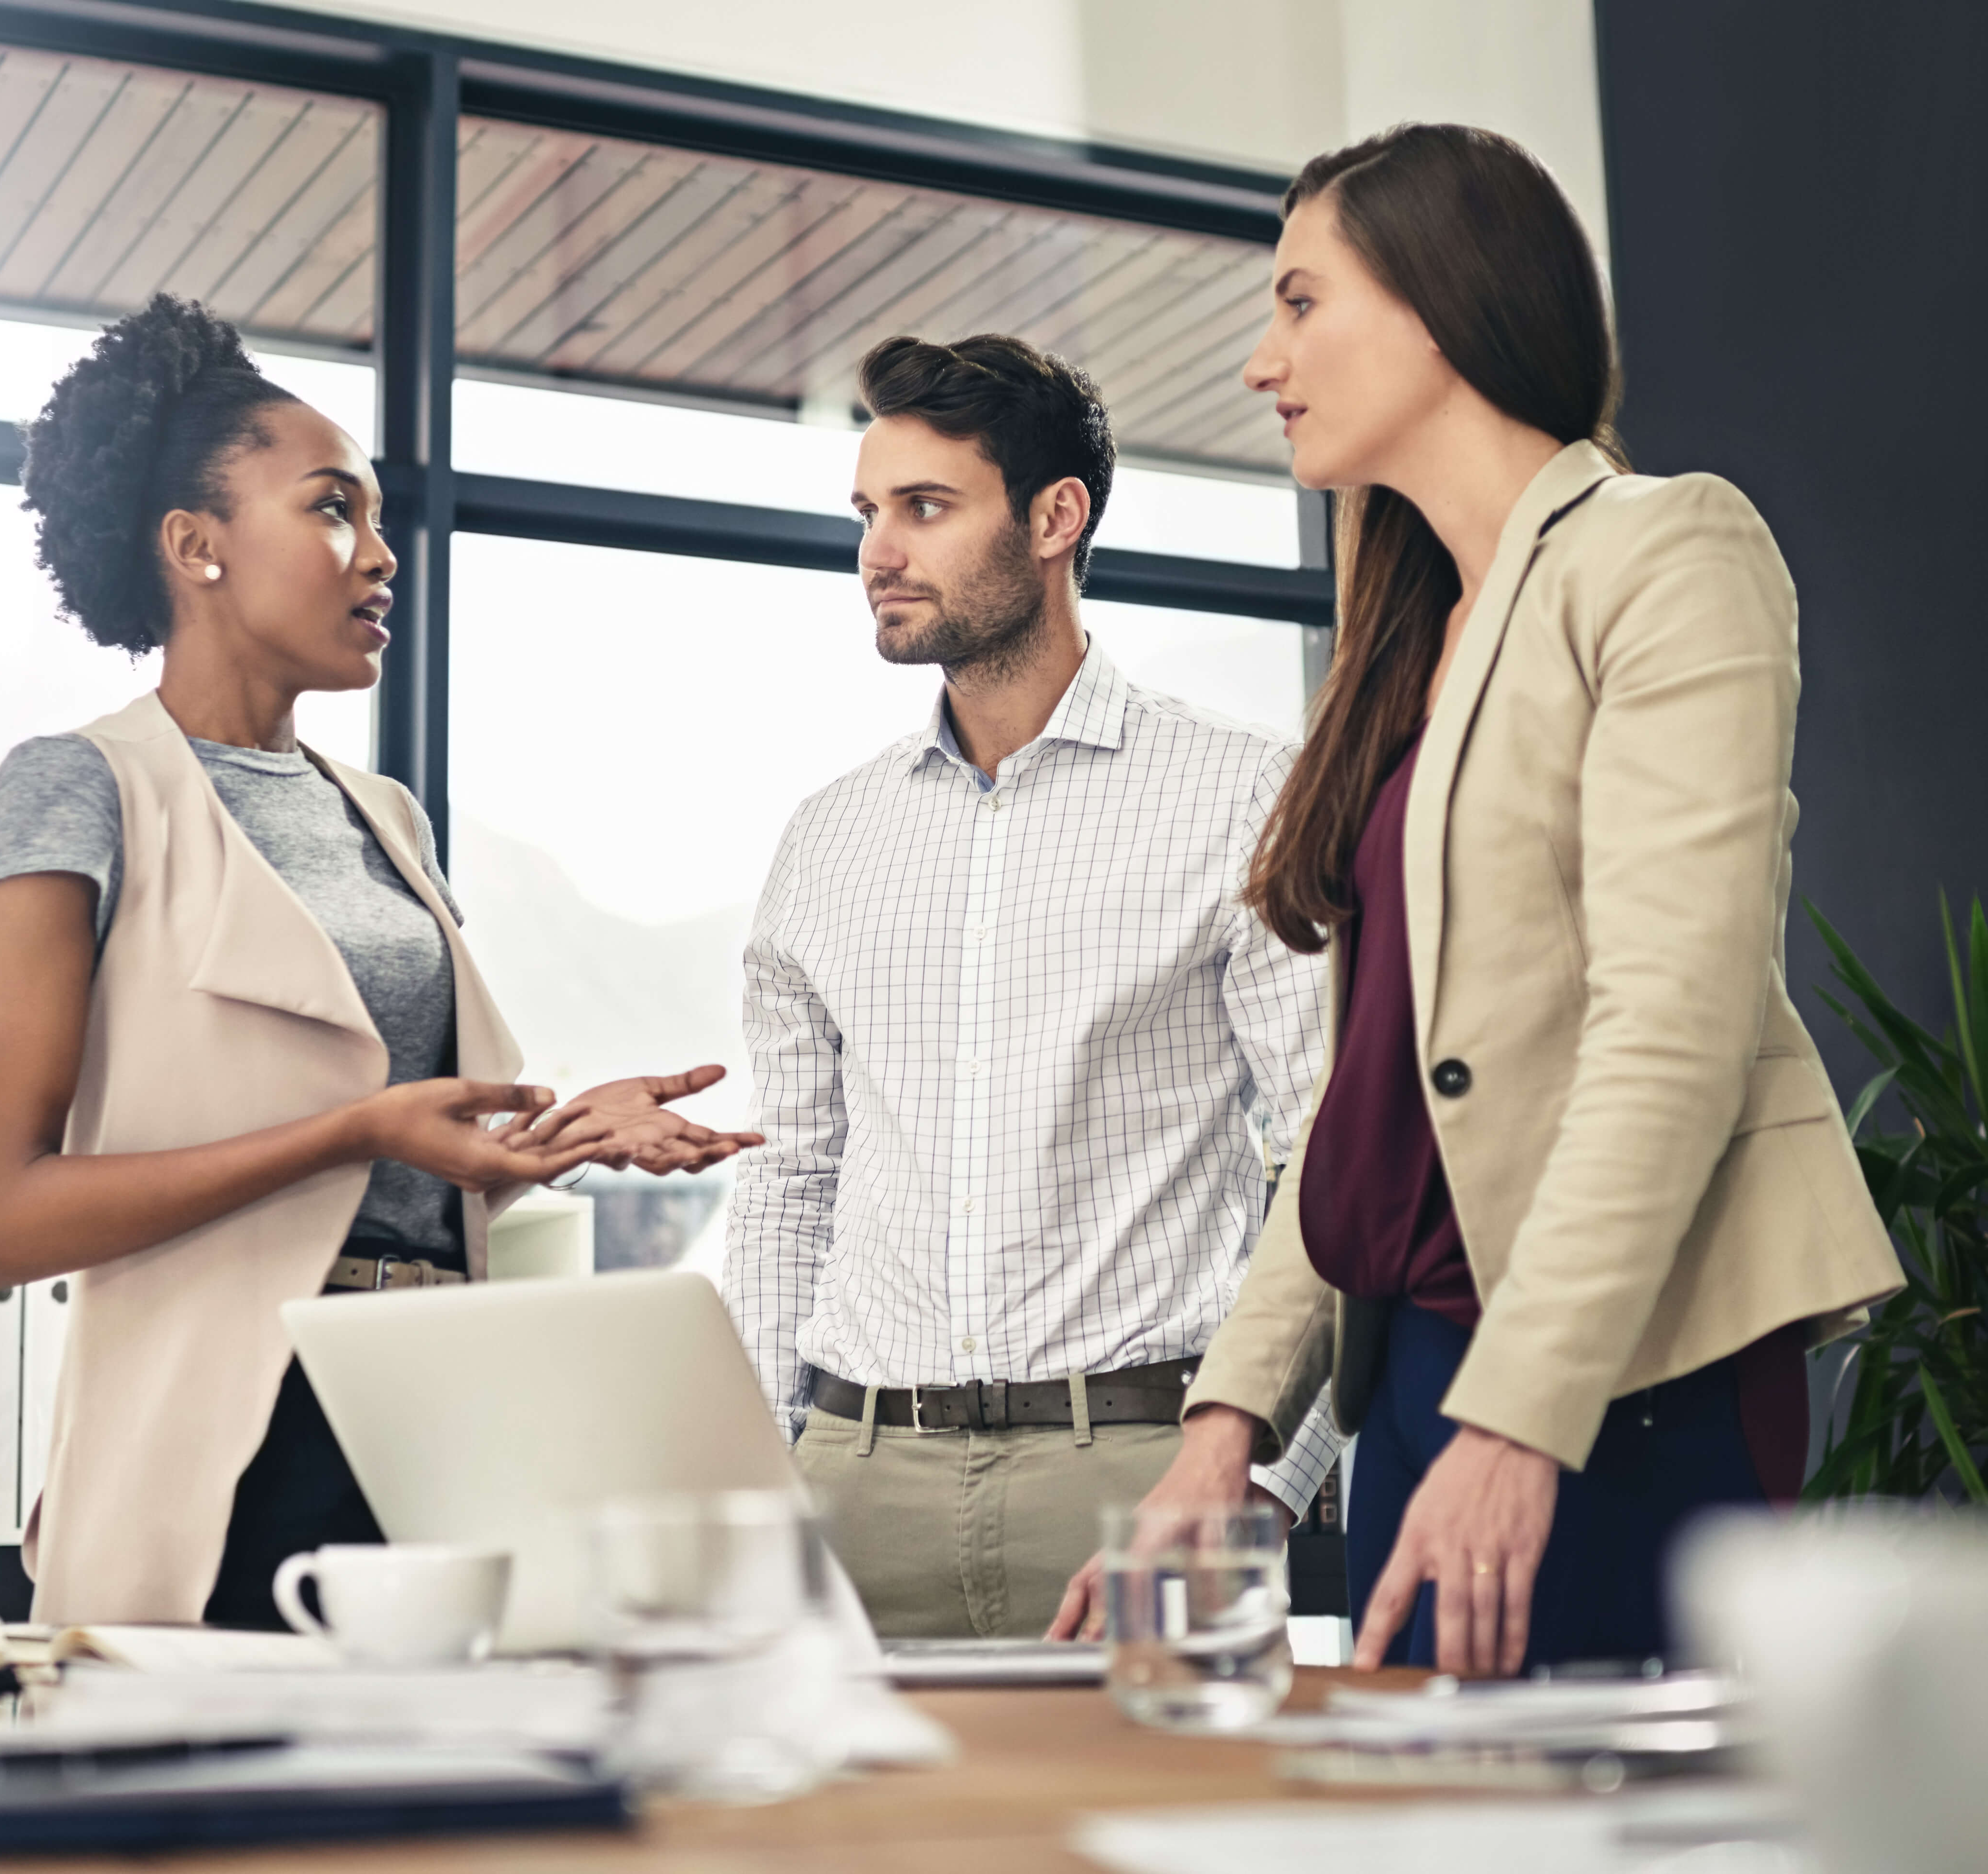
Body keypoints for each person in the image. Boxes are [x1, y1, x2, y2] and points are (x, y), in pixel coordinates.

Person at [1053, 125, 1902, 1675]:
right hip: (1424, 1370)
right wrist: (1226, 1428)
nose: (1262, 361)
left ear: (1440, 305)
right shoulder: (1411, 646)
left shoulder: (1668, 552)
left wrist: (1525, 1416)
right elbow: (1366, 1103)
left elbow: (1677, 1030)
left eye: (1300, 303)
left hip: (1626, 1371)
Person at [0, 295, 759, 1629]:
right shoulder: (80, 791)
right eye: (333, 511)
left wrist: (554, 1133)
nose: (382, 556)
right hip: (229, 1430)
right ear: (195, 547)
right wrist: (348, 1133)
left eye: (379, 520)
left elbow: (407, 1155)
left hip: (434, 1415)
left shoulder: (386, 817)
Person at [717, 329, 1344, 1640]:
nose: (880, 553)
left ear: (1058, 517)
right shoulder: (826, 841)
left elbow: (1331, 1163)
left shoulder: (1248, 798)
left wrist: (1265, 1486)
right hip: (854, 1481)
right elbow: (788, 1181)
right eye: (870, 512)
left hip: (1141, 1479)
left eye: (927, 508)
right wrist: (761, 1472)